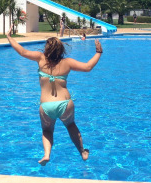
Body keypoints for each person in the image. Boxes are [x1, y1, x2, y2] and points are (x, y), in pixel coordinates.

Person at [6, 28, 103, 165]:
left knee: (47, 130)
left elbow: (22, 51)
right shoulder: (67, 62)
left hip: (46, 106)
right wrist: (98, 52)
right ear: (61, 49)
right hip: (65, 104)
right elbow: (88, 67)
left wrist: (9, 37)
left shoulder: (40, 58)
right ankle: (82, 151)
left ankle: (46, 155)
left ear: (47, 48)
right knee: (71, 125)